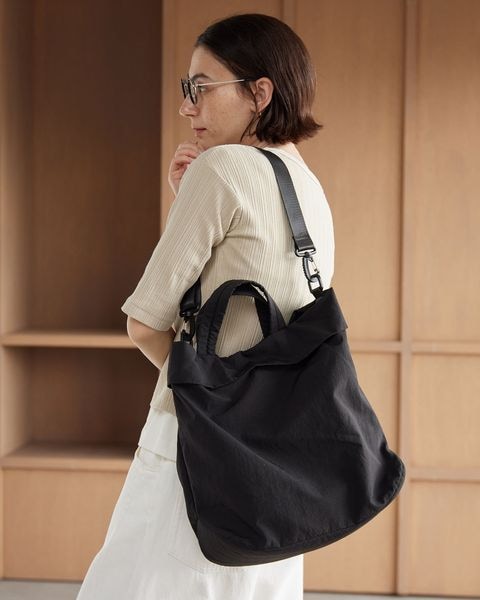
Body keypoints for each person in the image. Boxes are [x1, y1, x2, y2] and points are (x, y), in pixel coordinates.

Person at [77, 12, 335, 600]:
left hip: (196, 442)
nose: (186, 107)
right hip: (277, 453)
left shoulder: (219, 169)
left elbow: (144, 323)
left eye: (201, 87)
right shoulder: (307, 185)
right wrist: (187, 205)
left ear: (259, 93)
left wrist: (203, 389)